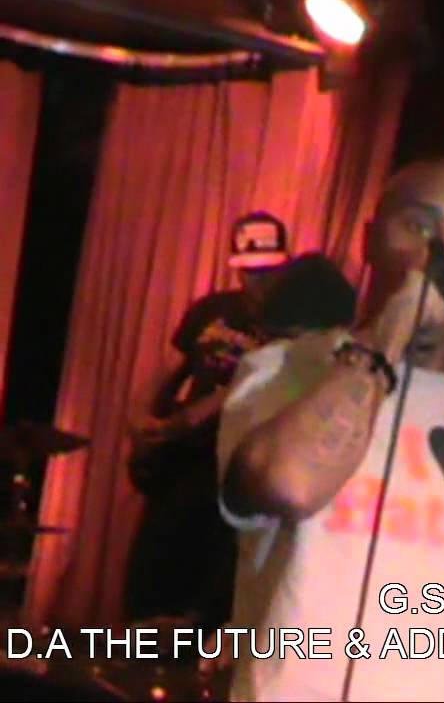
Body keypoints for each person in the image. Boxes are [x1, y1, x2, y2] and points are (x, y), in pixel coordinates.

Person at [215, 160, 444, 701]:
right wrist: (392, 327)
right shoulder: (283, 372)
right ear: (369, 242)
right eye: (420, 228)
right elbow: (290, 483)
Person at [123, 211, 291, 631]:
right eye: (250, 271)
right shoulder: (212, 309)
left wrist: (191, 418)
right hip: (184, 458)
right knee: (154, 563)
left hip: (235, 462)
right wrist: (142, 418)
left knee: (211, 578)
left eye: (267, 271)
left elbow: (248, 390)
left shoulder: (289, 327)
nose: (258, 281)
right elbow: (170, 368)